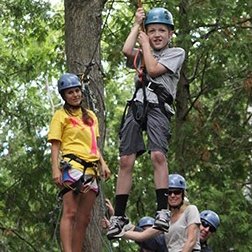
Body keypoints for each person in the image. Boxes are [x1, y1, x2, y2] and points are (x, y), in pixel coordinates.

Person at [106, 6, 185, 240]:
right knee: (125, 159)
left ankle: (162, 210)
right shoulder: (143, 49)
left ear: (170, 34)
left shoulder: (176, 53)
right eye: (152, 30)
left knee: (157, 156)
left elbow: (152, 69)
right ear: (146, 32)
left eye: (162, 30)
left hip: (158, 108)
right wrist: (135, 25)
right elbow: (126, 50)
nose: (157, 34)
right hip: (137, 105)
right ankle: (119, 216)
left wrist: (146, 45)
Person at [48, 73, 111, 252]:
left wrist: (103, 163)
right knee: (70, 212)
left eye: (77, 91)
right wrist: (55, 169)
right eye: (70, 92)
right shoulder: (60, 116)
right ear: (64, 96)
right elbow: (55, 144)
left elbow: (93, 144)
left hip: (91, 169)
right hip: (72, 165)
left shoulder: (90, 116)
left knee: (84, 218)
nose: (75, 95)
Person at [122, 174, 201, 252]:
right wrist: (119, 232)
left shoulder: (190, 210)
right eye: (169, 192)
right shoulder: (166, 218)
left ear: (183, 194)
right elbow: (142, 236)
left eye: (177, 192)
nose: (172, 195)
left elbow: (191, 241)